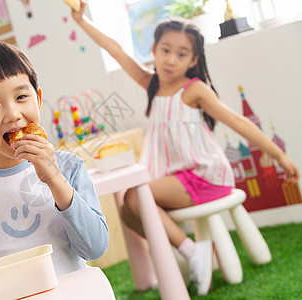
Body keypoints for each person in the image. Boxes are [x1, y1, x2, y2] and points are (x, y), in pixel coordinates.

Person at [71, 2, 299, 296]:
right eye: (165, 50)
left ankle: (193, 252)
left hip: (205, 176)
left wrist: (279, 155)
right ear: (154, 50)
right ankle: (190, 252)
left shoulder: (194, 90)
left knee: (135, 197)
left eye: (181, 54)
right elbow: (116, 50)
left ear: (193, 60)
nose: (171, 60)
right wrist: (81, 21)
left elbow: (239, 122)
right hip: (178, 179)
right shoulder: (152, 84)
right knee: (129, 212)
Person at [0, 40, 109, 284]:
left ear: (37, 99)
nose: (13, 114)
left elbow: (95, 247)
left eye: (21, 96)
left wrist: (55, 179)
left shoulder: (68, 167)